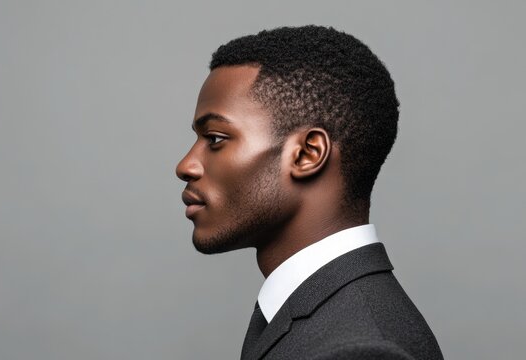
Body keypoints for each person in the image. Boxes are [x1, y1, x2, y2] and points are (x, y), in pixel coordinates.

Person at [176, 25, 444, 360]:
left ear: (307, 154)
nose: (186, 165)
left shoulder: (362, 350)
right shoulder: (319, 312)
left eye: (215, 138)